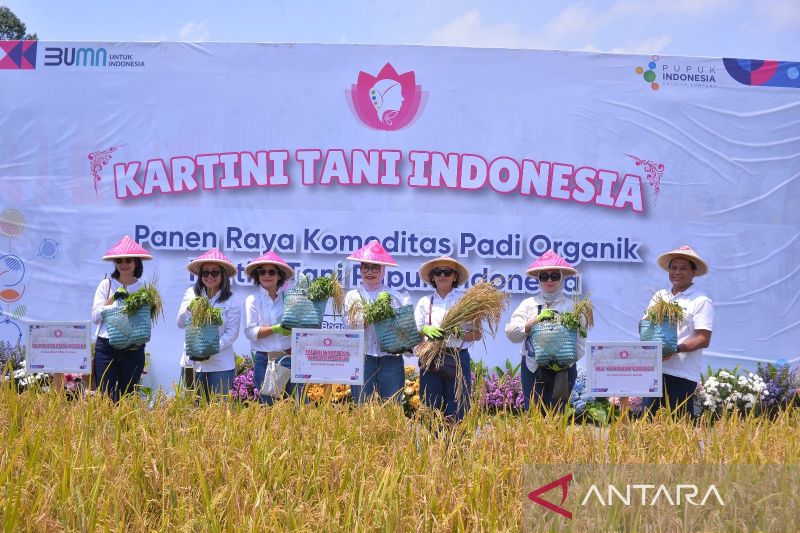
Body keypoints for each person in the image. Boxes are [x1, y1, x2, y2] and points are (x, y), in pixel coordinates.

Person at [504, 250, 584, 412]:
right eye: (544, 276)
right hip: (533, 368)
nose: (549, 280)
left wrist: (564, 362)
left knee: (557, 417)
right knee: (533, 418)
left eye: (554, 276)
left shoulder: (572, 307)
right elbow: (512, 333)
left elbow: (581, 341)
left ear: (562, 278)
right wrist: (534, 321)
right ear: (538, 280)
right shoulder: (528, 304)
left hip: (563, 371)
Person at [643, 245, 714, 418]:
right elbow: (645, 325)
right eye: (673, 268)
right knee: (647, 425)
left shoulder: (700, 300)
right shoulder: (660, 296)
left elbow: (703, 338)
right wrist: (650, 343)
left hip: (682, 374)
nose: (677, 272)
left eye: (683, 268)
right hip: (655, 370)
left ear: (693, 272)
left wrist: (675, 348)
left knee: (677, 428)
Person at [343, 240, 412, 404]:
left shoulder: (396, 297)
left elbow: (403, 331)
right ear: (360, 269)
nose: (370, 272)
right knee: (361, 406)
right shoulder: (352, 296)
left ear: (383, 270)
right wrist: (376, 312)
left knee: (392, 407)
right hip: (363, 358)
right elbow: (350, 326)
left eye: (375, 267)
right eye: (365, 267)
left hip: (391, 359)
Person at [414, 256, 481, 422]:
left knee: (458, 406)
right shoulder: (424, 302)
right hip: (431, 357)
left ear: (455, 276)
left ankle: (456, 445)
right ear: (432, 277)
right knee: (430, 406)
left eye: (447, 271)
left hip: (458, 357)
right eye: (438, 272)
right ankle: (431, 444)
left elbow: (477, 334)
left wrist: (460, 334)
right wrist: (424, 329)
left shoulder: (466, 301)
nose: (442, 275)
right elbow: (415, 333)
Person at [90, 235, 151, 401]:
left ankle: (125, 427)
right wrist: (113, 299)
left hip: (133, 347)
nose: (124, 264)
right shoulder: (106, 284)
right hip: (107, 346)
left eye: (128, 260)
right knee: (105, 396)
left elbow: (145, 319)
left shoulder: (144, 288)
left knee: (128, 396)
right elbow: (95, 316)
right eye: (119, 260)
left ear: (136, 263)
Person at [177, 248, 241, 399]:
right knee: (190, 409)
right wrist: (189, 309)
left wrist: (208, 349)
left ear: (223, 275)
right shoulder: (191, 293)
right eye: (205, 272)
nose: (210, 276)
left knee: (218, 413)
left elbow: (232, 333)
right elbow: (180, 323)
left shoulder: (232, 300)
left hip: (220, 366)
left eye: (215, 272)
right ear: (200, 276)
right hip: (191, 364)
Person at [243, 251, 299, 404]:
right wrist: (276, 329)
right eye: (262, 272)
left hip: (288, 357)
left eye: (272, 271)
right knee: (268, 408)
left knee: (295, 405)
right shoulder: (252, 300)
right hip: (265, 359)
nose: (267, 275)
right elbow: (250, 332)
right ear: (257, 276)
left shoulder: (289, 299)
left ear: (279, 276)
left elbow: (297, 325)